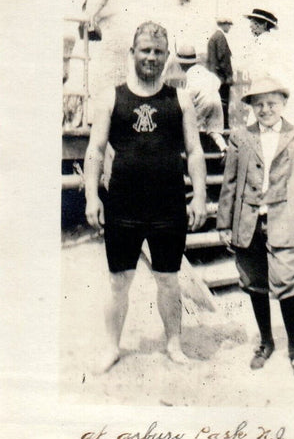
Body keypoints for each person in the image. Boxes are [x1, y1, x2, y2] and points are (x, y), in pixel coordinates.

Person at [84, 21, 207, 373]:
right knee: (118, 281)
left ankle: (174, 345)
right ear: (133, 54)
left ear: (168, 57)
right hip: (123, 204)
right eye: (145, 51)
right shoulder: (112, 96)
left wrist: (199, 196)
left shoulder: (180, 98)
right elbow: (94, 150)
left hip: (168, 204)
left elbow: (195, 151)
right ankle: (112, 347)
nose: (151, 57)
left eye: (158, 52)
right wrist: (93, 197)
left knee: (168, 278)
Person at [217, 77, 294, 379]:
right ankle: (265, 342)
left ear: (283, 104)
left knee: (287, 281)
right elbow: (229, 182)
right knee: (254, 282)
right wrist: (225, 223)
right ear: (251, 107)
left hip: (284, 220)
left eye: (272, 103)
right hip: (247, 222)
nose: (265, 109)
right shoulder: (241, 137)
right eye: (259, 104)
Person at [175, 45, 227, 153]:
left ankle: (189, 152)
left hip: (203, 101)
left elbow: (188, 96)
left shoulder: (189, 76)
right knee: (214, 129)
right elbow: (217, 82)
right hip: (215, 98)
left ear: (182, 63)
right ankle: (223, 147)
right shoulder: (203, 70)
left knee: (191, 127)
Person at [207, 16, 234, 129]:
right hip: (221, 79)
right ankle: (224, 127)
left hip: (214, 78)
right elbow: (223, 58)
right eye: (229, 25)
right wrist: (229, 76)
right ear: (224, 24)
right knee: (223, 104)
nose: (230, 27)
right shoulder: (220, 37)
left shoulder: (215, 37)